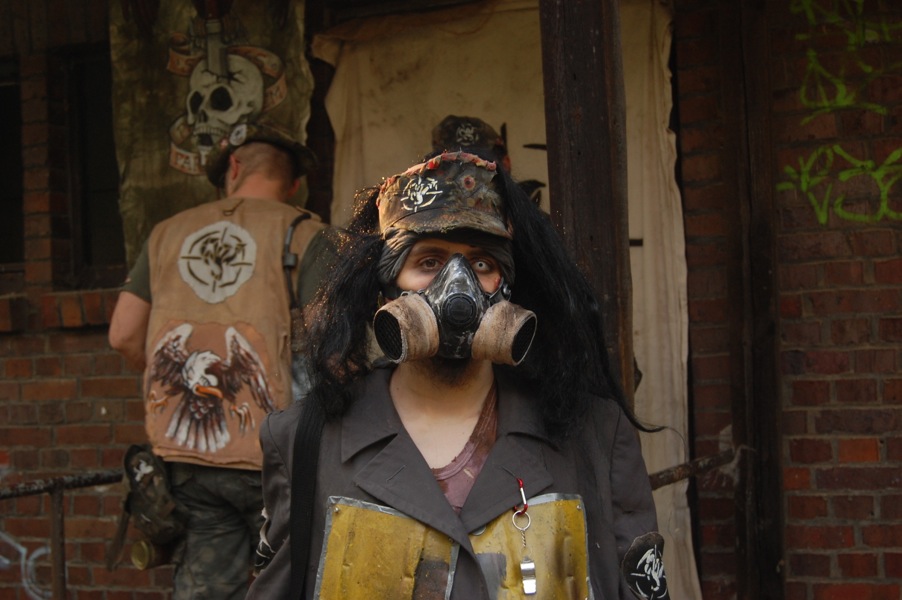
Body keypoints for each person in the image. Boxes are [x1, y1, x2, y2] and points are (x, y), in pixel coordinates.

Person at [248, 151, 667, 599]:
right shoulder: (305, 441)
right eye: (429, 262)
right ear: (384, 289)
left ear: (509, 288)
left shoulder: (596, 437)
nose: (457, 288)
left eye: (482, 264)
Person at [108, 121, 331, 600]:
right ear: (294, 183)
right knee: (297, 583)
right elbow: (334, 346)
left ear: (232, 167)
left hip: (186, 457)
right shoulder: (307, 234)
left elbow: (123, 334)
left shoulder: (166, 234)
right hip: (275, 456)